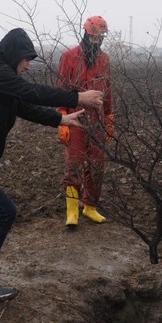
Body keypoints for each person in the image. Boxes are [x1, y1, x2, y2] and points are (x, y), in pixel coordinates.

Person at [0, 28, 103, 303]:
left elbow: (25, 106)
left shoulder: (2, 84)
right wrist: (77, 97)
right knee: (3, 212)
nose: (28, 65)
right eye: (26, 59)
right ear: (13, 54)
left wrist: (62, 120)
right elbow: (32, 92)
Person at [56, 16, 115, 228]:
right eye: (93, 36)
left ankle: (90, 206)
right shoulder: (69, 57)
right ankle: (72, 211)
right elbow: (61, 89)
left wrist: (109, 117)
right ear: (86, 34)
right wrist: (62, 119)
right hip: (75, 118)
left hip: (97, 119)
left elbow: (106, 90)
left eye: (101, 37)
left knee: (97, 164)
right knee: (73, 163)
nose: (97, 40)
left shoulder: (105, 59)